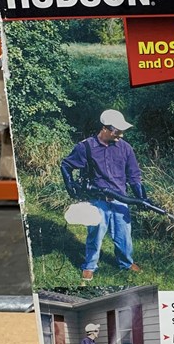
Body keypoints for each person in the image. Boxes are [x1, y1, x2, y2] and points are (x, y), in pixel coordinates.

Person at [61, 109, 145, 281]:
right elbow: (66, 165)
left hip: (120, 198)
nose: (121, 135)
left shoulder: (126, 148)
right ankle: (90, 265)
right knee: (96, 233)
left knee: (124, 234)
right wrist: (70, 185)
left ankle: (126, 263)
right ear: (105, 128)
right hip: (97, 199)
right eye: (118, 131)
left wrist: (141, 197)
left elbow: (134, 175)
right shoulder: (85, 147)